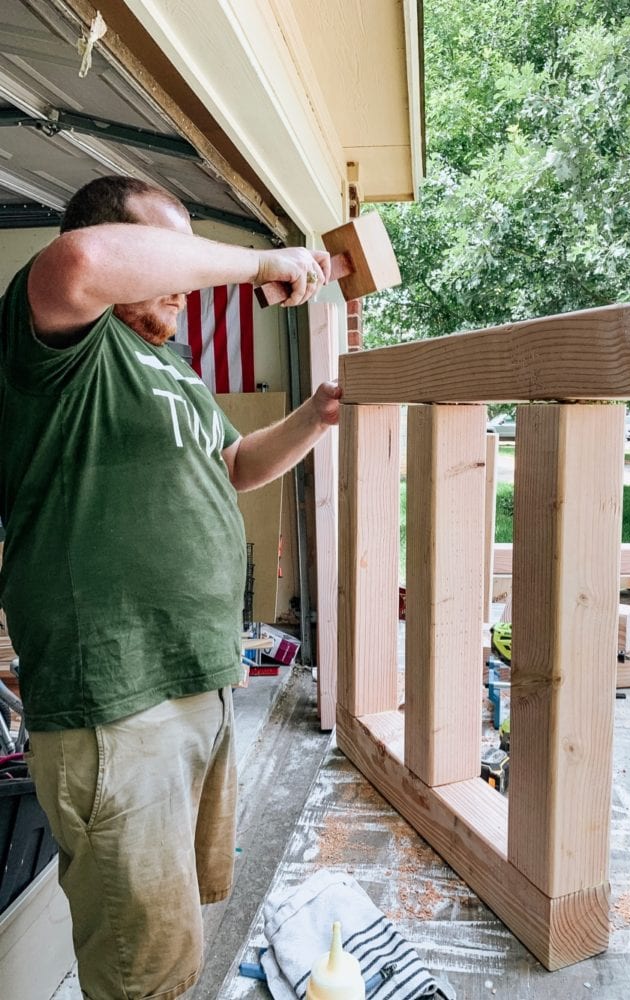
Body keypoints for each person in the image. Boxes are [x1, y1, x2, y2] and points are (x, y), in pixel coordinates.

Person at [0, 175, 340, 1000]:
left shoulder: (170, 365)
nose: (189, 275)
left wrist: (319, 414)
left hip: (198, 679)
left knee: (169, 923)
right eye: (170, 248)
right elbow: (80, 261)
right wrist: (258, 261)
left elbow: (232, 468)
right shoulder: (63, 340)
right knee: (141, 964)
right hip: (116, 695)